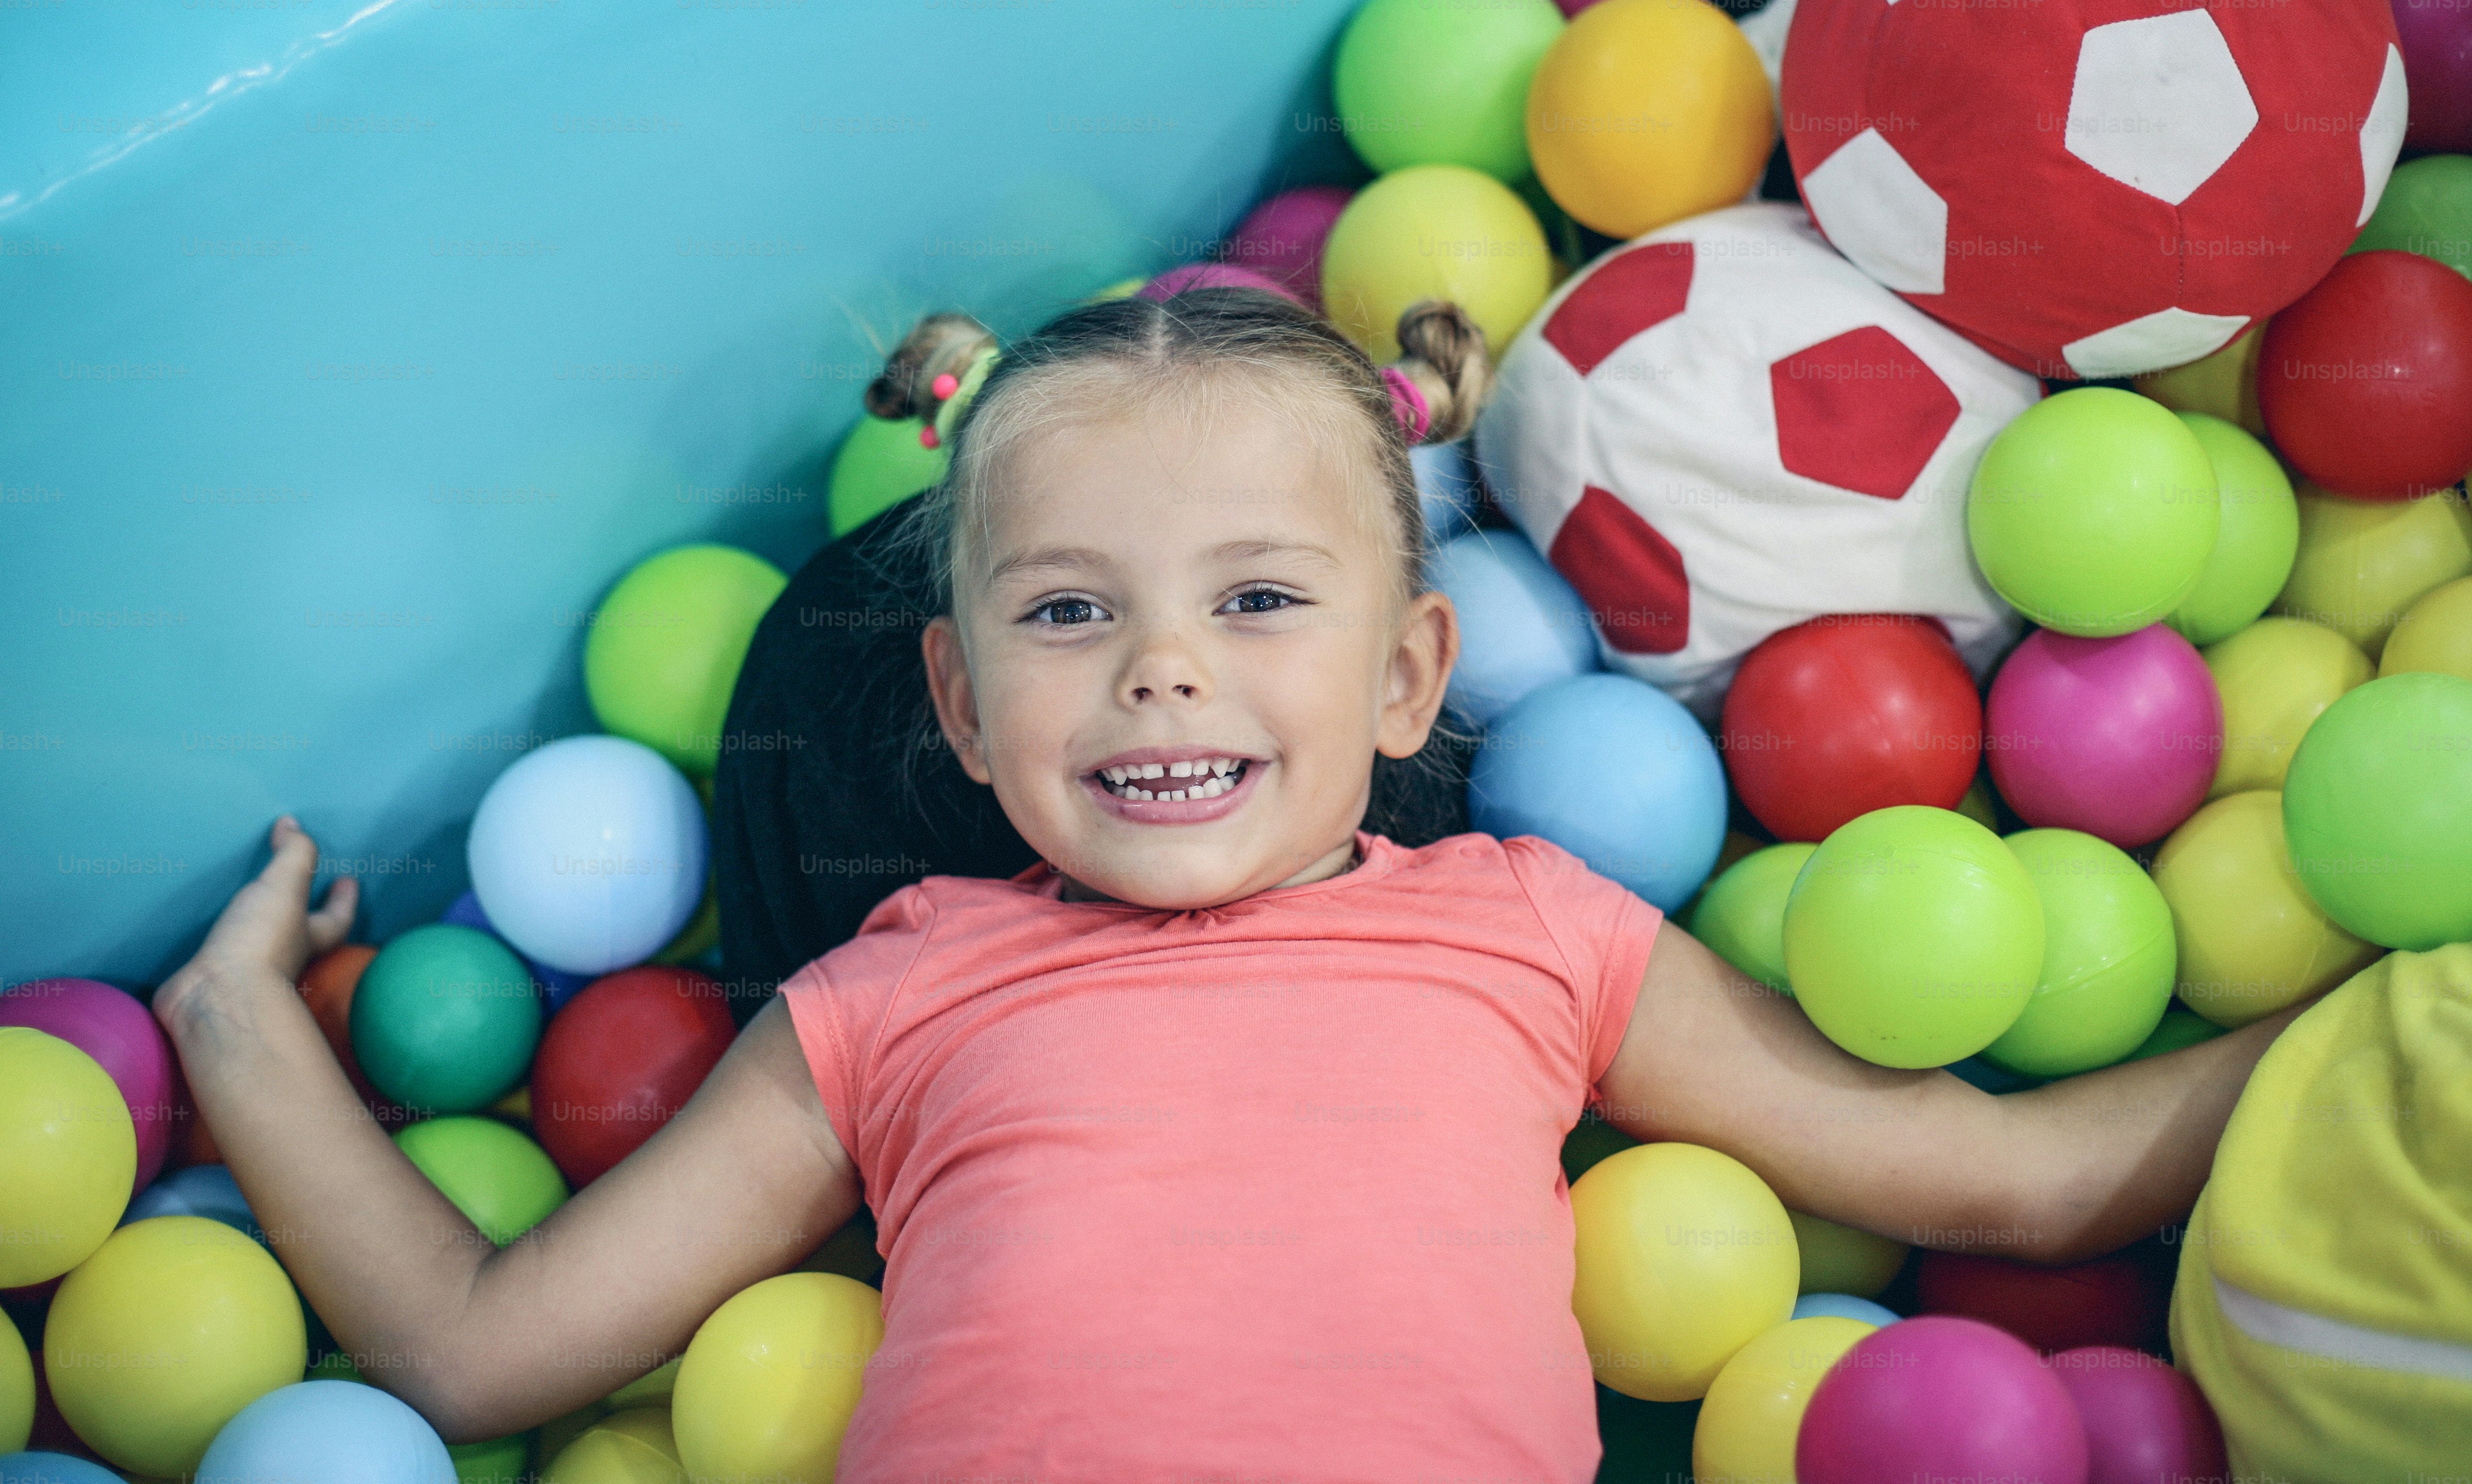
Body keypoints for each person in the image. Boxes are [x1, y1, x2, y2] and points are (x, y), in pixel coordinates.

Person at [157, 287, 2306, 1479]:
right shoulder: (893, 998)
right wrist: (240, 1028)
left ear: (1405, 678)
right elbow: (471, 1351)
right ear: (964, 707)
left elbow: (2022, 1187)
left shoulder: (1528, 934)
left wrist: (2393, 1010)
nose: (1167, 660)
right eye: (1071, 613)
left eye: (1258, 596)